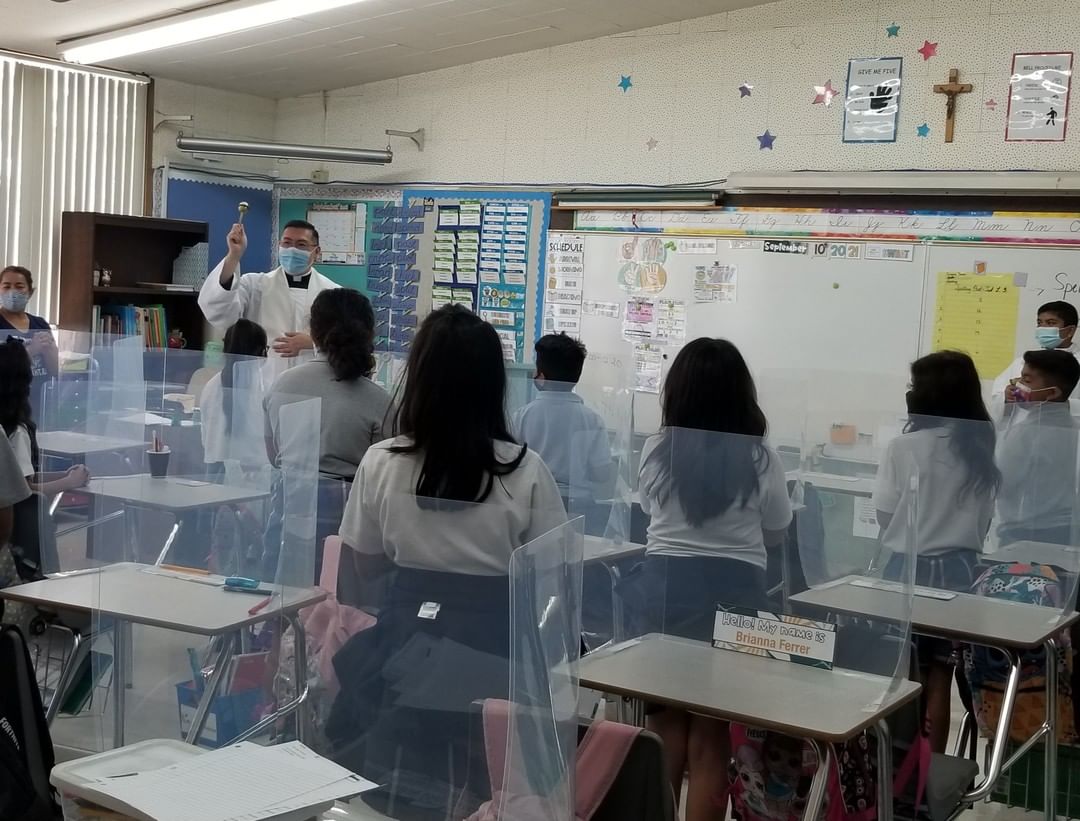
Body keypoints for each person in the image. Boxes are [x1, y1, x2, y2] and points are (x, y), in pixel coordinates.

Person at [327, 305, 565, 810]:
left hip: (403, 645)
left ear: (420, 378)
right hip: (494, 656)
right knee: (485, 787)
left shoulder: (383, 461)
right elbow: (549, 580)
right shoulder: (525, 470)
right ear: (492, 385)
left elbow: (363, 567)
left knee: (395, 788)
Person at [635, 338, 792, 821]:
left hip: (665, 589)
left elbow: (646, 507)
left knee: (664, 729)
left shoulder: (658, 448)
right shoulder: (761, 458)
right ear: (741, 394)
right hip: (737, 594)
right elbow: (778, 527)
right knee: (712, 732)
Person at [874, 350, 1000, 753]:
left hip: (907, 570)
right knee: (941, 678)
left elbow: (883, 515)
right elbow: (984, 520)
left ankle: (898, 772)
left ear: (929, 394)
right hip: (962, 573)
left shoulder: (903, 447)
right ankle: (931, 775)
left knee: (904, 676)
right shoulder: (981, 447)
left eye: (914, 386)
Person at [264, 288, 393, 593]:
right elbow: (387, 475)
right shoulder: (379, 401)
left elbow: (272, 455)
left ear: (313, 332)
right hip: (350, 525)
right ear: (370, 333)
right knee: (338, 610)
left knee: (282, 603)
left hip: (287, 511)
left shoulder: (281, 385)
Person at [198, 219, 337, 379]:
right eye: (287, 243)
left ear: (317, 251)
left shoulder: (333, 293)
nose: (292, 250)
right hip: (263, 378)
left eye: (301, 245)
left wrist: (313, 342)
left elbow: (347, 342)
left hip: (311, 380)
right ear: (279, 245)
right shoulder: (255, 284)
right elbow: (220, 312)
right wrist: (234, 255)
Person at [512, 332, 612, 528]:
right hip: (579, 507)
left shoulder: (522, 416)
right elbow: (602, 473)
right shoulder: (592, 420)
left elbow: (511, 465)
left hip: (532, 504)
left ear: (541, 377)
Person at [995, 349, 1080, 546]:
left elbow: (1003, 484)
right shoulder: (1073, 428)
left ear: (1052, 392)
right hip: (1070, 531)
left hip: (1025, 534)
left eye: (1026, 380)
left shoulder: (1025, 433)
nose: (1017, 385)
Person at [200, 319, 269, 473]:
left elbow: (205, 436)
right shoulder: (265, 388)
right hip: (252, 473)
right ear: (261, 352)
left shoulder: (211, 386)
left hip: (215, 469)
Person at [992, 301, 1080, 411]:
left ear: (1070, 330)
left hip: (1064, 425)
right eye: (1040, 322)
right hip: (1023, 426)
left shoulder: (1077, 363)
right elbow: (996, 394)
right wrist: (1006, 396)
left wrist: (1057, 403)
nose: (1042, 328)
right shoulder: (1024, 361)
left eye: (1051, 323)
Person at [0, 266, 57, 412]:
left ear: (30, 292)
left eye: (19, 286)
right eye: (6, 286)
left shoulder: (40, 323)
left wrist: (50, 350)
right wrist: (32, 349)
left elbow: (55, 371)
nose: (12, 292)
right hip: (7, 404)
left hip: (39, 402)